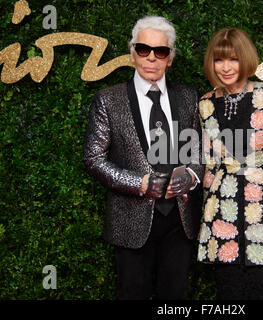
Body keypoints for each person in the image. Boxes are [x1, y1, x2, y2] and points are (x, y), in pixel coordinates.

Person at [83, 16, 203, 300]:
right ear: (132, 53)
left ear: (170, 57)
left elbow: (198, 151)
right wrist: (140, 182)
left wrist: (191, 175)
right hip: (130, 220)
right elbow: (93, 158)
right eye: (143, 49)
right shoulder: (108, 100)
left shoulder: (188, 97)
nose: (151, 57)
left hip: (180, 220)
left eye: (160, 51)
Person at [197, 27, 263, 300]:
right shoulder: (205, 104)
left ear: (246, 59)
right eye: (219, 60)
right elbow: (210, 167)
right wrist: (206, 224)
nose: (226, 67)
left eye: (233, 59)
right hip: (222, 218)